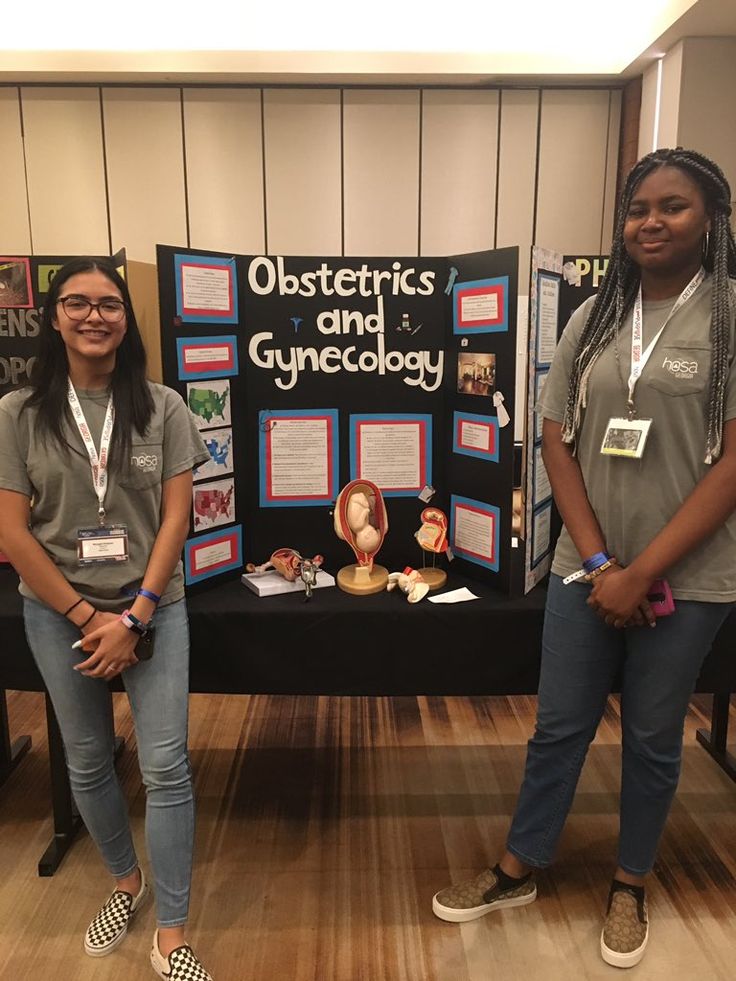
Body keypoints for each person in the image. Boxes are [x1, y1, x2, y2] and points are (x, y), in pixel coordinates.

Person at [432, 148, 736, 969]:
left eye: (673, 206)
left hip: (692, 575)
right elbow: (556, 441)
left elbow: (734, 466)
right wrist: (602, 562)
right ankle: (519, 864)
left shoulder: (732, 318)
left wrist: (643, 572)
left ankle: (631, 880)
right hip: (584, 566)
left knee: (653, 736)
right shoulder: (593, 317)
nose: (651, 221)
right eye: (639, 207)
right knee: (558, 727)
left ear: (711, 218)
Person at [0, 257, 214, 981]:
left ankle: (174, 933)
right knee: (87, 757)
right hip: (61, 614)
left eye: (110, 303)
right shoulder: (16, 412)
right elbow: (13, 532)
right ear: (53, 316)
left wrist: (138, 613)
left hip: (154, 607)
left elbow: (178, 515)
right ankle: (126, 882)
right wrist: (90, 614)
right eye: (78, 302)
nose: (95, 315)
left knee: (165, 766)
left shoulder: (164, 406)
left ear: (128, 317)